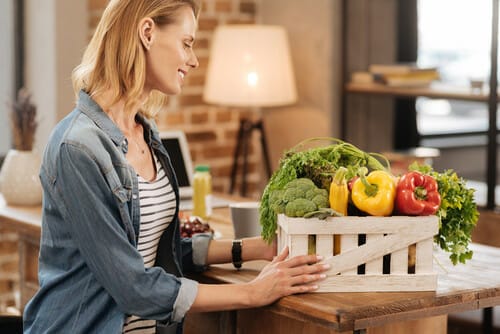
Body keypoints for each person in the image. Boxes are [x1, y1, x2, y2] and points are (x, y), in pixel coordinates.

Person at [22, 0, 329, 333]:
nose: (193, 60)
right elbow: (133, 286)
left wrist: (256, 247)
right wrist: (253, 292)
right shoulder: (77, 148)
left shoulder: (147, 134)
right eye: (187, 43)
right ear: (148, 32)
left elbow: (158, 250)